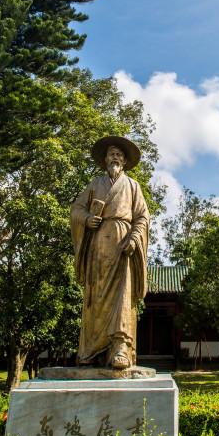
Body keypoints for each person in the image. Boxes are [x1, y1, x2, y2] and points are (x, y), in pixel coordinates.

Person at [70, 135, 150, 369]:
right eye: (110, 154)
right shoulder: (95, 185)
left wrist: (135, 238)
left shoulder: (133, 186)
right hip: (98, 245)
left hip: (123, 245)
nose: (114, 158)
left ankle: (119, 348)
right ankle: (90, 350)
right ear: (105, 160)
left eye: (119, 155)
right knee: (95, 296)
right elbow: (76, 208)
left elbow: (143, 216)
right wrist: (86, 218)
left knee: (121, 295)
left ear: (124, 161)